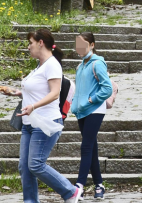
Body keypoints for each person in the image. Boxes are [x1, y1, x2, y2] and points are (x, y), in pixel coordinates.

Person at [0, 29, 83, 203]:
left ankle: (71, 191)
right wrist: (16, 93)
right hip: (29, 123)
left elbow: (54, 93)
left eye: (30, 43)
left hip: (45, 122)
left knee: (36, 164)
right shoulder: (39, 66)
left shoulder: (52, 64)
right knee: (25, 167)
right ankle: (30, 201)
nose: (28, 47)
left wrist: (33, 106)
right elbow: (36, 93)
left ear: (40, 43)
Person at [71, 32, 113, 199]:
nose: (80, 48)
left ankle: (79, 187)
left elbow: (107, 89)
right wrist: (76, 106)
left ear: (92, 45)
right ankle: (99, 185)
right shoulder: (80, 66)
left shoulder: (98, 64)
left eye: (83, 44)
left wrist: (91, 99)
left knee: (86, 146)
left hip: (95, 109)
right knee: (92, 148)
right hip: (82, 111)